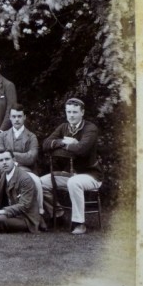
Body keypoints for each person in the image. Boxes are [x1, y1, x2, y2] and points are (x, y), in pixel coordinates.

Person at [40, 98, 103, 235]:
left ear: (82, 112)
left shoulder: (90, 128)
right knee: (41, 183)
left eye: (75, 112)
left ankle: (79, 223)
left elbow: (82, 149)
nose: (71, 115)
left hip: (91, 175)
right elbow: (45, 144)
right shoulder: (63, 127)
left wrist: (69, 145)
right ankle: (58, 214)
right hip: (70, 175)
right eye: (68, 112)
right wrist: (64, 141)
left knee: (74, 182)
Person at [0, 104, 43, 216]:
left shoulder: (31, 136)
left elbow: (32, 157)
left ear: (24, 117)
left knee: (37, 181)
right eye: (14, 116)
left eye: (19, 116)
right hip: (5, 172)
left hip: (26, 171)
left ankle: (39, 214)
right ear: (9, 117)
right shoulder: (2, 136)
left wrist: (10, 155)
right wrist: (17, 158)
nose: (16, 119)